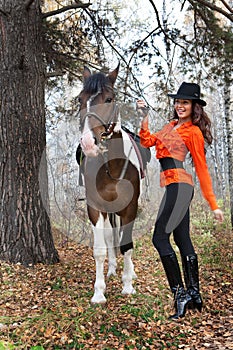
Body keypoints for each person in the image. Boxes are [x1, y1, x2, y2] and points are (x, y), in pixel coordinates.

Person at [137, 82, 224, 320]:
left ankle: (180, 294)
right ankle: (194, 293)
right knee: (182, 238)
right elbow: (147, 141)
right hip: (174, 186)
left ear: (194, 106)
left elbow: (202, 169)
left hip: (180, 187)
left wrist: (213, 204)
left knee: (159, 237)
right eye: (177, 102)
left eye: (185, 102)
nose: (180, 106)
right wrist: (144, 117)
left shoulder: (193, 132)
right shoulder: (171, 126)